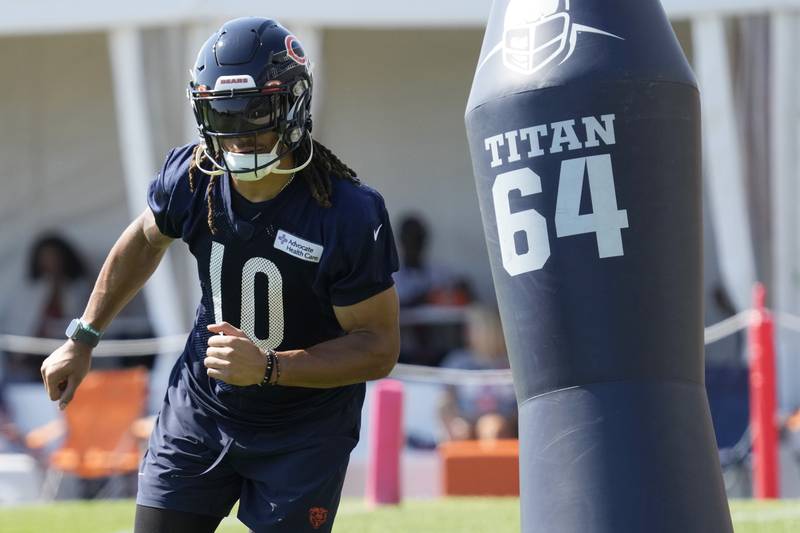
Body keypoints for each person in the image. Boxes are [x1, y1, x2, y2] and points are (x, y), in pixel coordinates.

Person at [40, 18, 400, 533]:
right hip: (203, 410)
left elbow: (379, 346)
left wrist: (271, 367)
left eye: (257, 113)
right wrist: (84, 336)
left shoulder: (347, 212)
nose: (240, 134)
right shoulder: (192, 176)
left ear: (294, 107)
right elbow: (145, 237)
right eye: (222, 114)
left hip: (304, 429)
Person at [0, 233, 90, 382]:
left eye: (55, 257)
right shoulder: (29, 290)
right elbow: (19, 323)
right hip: (32, 354)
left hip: (65, 349)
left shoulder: (78, 288)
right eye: (46, 258)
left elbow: (78, 317)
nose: (51, 263)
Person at [439, 306, 517, 441]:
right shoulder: (458, 361)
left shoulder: (512, 362)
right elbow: (445, 400)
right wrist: (453, 421)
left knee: (491, 428)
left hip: (501, 419)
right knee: (461, 430)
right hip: (465, 417)